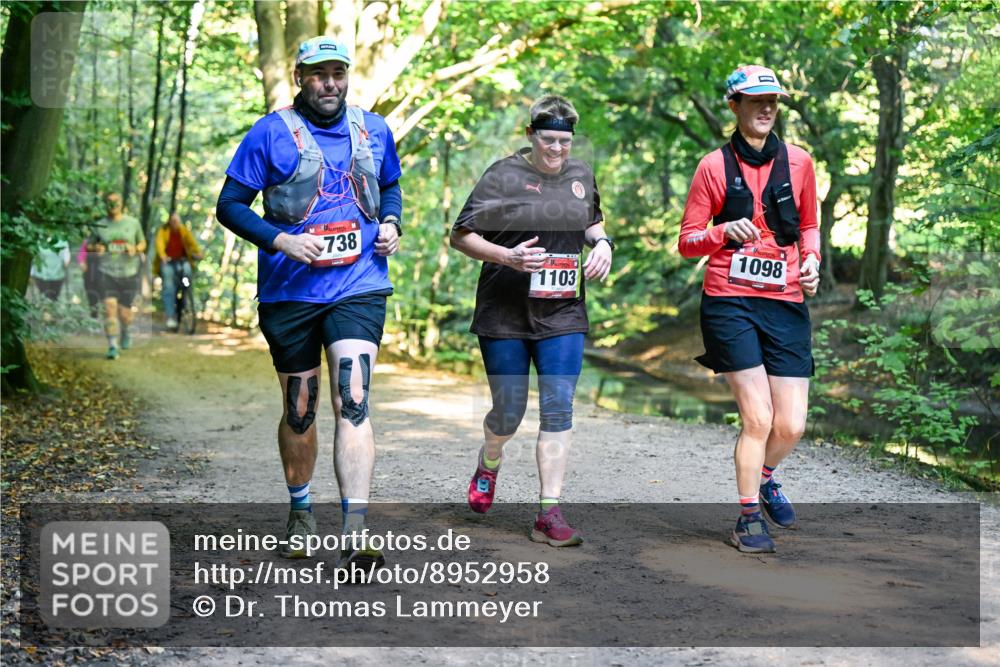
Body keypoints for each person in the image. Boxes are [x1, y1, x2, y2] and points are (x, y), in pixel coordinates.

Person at [216, 36, 403, 572]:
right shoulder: (270, 133)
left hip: (359, 283)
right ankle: (301, 511)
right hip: (290, 291)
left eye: (338, 73)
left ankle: (356, 529)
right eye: (319, 74)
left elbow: (390, 185)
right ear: (300, 77)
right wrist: (282, 241)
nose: (330, 84)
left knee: (354, 398)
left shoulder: (374, 129)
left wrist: (391, 223)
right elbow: (230, 205)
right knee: (300, 409)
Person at [450, 94, 613, 547]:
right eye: (548, 140)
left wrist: (603, 244)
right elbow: (460, 235)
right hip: (504, 311)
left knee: (559, 406)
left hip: (563, 312)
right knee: (509, 411)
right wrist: (508, 256)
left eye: (565, 141)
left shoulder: (581, 175)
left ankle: (548, 512)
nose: (557, 149)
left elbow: (592, 221)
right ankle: (490, 459)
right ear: (530, 135)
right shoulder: (503, 175)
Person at [677, 65, 821, 554]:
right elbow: (688, 242)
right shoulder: (712, 167)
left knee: (791, 425)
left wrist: (813, 262)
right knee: (758, 419)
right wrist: (721, 232)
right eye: (756, 100)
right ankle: (746, 519)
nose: (766, 108)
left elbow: (809, 227)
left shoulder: (800, 162)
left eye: (773, 101)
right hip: (729, 301)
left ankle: (764, 478)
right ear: (734, 105)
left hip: (785, 301)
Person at [88, 192, 146, 360]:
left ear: (122, 203)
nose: (113, 205)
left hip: (129, 273)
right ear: (105, 204)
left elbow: (142, 243)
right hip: (106, 272)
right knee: (109, 308)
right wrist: (95, 248)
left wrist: (135, 249)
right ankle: (113, 345)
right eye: (109, 202)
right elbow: (89, 245)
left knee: (125, 314)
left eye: (116, 201)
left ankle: (126, 331)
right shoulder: (100, 225)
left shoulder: (133, 223)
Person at [153, 213, 204, 330]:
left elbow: (192, 244)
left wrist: (198, 253)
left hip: (182, 261)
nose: (175, 223)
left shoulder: (183, 231)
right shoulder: (163, 231)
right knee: (169, 286)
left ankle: (186, 294)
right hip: (168, 262)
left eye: (177, 221)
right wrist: (163, 256)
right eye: (173, 221)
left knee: (187, 273)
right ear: (170, 222)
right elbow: (159, 244)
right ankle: (170, 317)